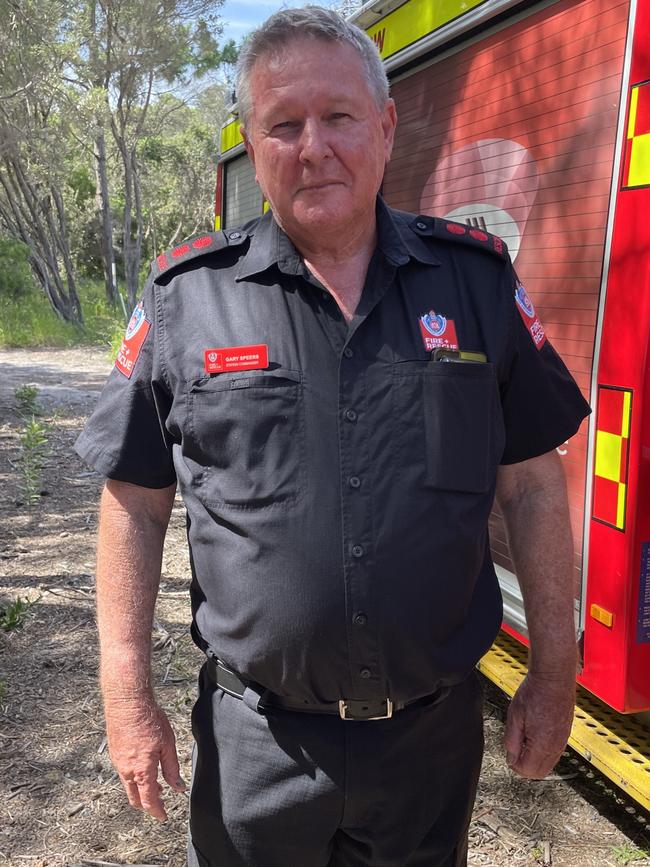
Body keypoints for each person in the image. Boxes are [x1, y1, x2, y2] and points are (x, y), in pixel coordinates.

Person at [75, 6, 591, 866]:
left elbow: (535, 484)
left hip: (431, 747)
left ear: (384, 127)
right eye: (283, 123)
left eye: (338, 116)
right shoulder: (186, 298)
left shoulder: (475, 286)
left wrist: (555, 666)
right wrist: (124, 688)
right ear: (254, 141)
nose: (313, 145)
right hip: (258, 749)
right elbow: (133, 498)